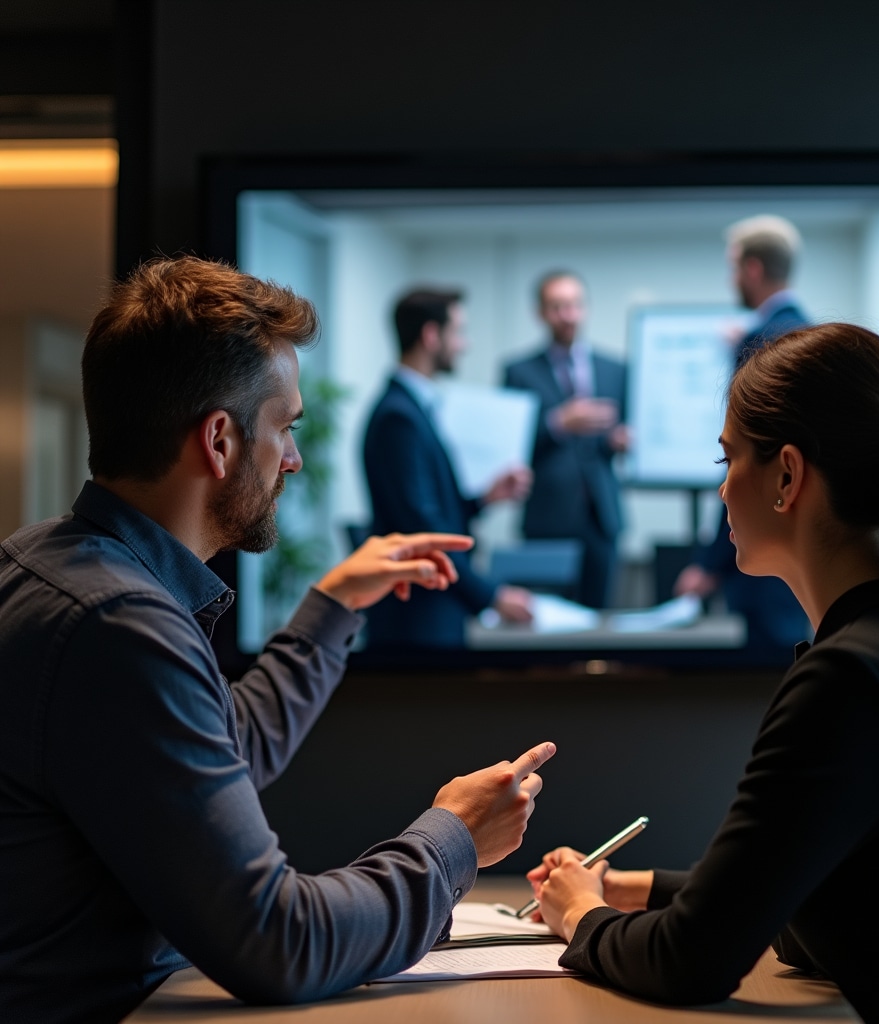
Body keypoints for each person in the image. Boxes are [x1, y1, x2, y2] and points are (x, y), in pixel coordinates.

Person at [0, 256, 557, 1024]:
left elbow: (214, 746)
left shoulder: (52, 563)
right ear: (221, 442)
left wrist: (331, 606)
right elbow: (280, 940)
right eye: (285, 427)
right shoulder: (117, 623)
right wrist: (453, 840)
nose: (292, 457)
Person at [528, 322, 879, 1022]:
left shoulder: (854, 677)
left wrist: (580, 913)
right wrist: (626, 887)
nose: (724, 490)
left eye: (727, 459)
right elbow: (795, 885)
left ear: (787, 475)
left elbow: (692, 960)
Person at [362, 287, 534, 647]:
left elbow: (426, 508)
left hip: (428, 606)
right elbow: (422, 528)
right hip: (416, 616)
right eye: (458, 331)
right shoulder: (400, 417)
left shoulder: (412, 408)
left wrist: (483, 499)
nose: (463, 344)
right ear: (430, 335)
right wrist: (492, 596)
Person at [675, 215, 810, 654]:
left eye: (734, 267)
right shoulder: (807, 334)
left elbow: (747, 463)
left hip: (762, 547)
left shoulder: (759, 344)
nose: (732, 278)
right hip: (801, 540)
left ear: (752, 269)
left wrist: (711, 561)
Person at [503, 271, 629, 608]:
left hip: (601, 515)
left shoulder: (615, 369)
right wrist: (558, 421)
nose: (568, 315)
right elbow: (511, 446)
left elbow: (622, 432)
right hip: (547, 516)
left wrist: (618, 440)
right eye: (558, 306)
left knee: (599, 618)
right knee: (546, 619)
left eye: (574, 305)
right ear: (541, 313)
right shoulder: (519, 372)